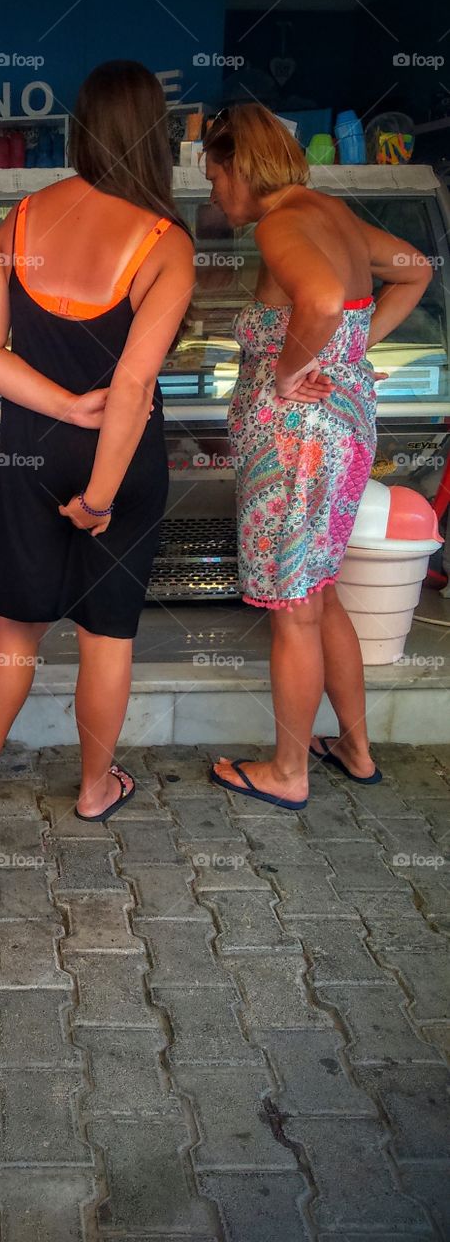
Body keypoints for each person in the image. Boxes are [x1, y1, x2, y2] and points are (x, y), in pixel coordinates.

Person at [0, 60, 195, 821]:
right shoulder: (165, 242)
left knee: (18, 621)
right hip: (119, 466)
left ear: (81, 127)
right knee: (104, 634)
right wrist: (98, 498)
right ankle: (93, 789)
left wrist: (61, 407)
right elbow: (134, 390)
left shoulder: (23, 218)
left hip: (31, 452)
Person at [203, 103, 433, 809]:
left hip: (296, 442)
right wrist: (347, 353)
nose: (213, 193)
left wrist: (282, 373)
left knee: (294, 608)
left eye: (213, 176)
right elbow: (416, 269)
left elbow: (323, 296)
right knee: (320, 590)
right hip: (345, 425)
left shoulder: (279, 223)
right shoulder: (330, 212)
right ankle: (355, 752)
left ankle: (287, 770)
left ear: (240, 167)